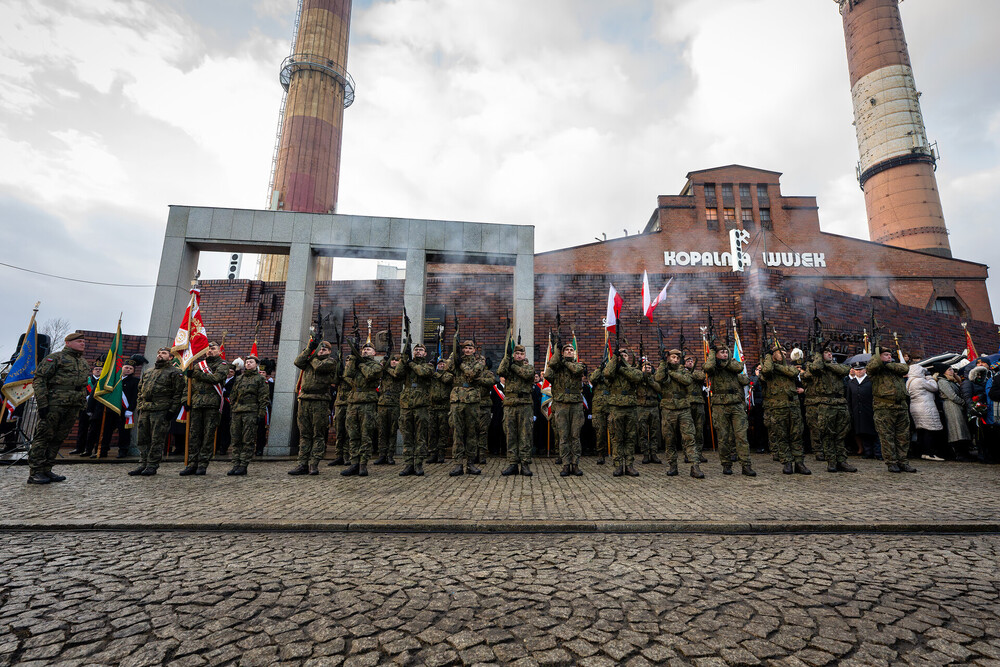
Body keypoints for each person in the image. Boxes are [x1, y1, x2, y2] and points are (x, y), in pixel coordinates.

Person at [27, 332, 91, 484]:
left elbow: (82, 386)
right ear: (68, 343)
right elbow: (40, 380)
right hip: (54, 404)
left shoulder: (83, 362)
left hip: (73, 405)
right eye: (79, 341)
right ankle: (35, 472)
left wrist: (82, 404)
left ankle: (47, 468)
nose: (83, 343)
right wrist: (43, 403)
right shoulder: (55, 358)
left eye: (83, 341)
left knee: (58, 438)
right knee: (43, 437)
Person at [441, 336, 492, 476]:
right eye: (465, 348)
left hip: (472, 401)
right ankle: (458, 464)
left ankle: (470, 463)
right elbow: (447, 368)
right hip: (457, 400)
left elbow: (471, 374)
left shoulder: (478, 362)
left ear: (474, 350)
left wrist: (461, 365)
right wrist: (454, 354)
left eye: (470, 348)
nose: (468, 350)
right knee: (457, 433)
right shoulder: (456, 360)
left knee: (471, 433)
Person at [129, 348, 184, 477]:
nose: (160, 355)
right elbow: (140, 391)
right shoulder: (149, 371)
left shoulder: (175, 373)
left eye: (164, 353)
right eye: (159, 353)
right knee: (142, 439)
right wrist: (140, 406)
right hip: (145, 409)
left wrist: (172, 411)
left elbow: (178, 394)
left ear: (170, 357)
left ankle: (152, 465)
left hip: (161, 410)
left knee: (156, 439)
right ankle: (143, 463)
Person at [704, 341, 755, 476]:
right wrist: (712, 353)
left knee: (741, 436)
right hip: (720, 406)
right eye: (722, 352)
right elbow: (708, 367)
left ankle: (746, 465)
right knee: (723, 437)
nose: (725, 354)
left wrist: (724, 361)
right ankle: (726, 464)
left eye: (726, 352)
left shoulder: (733, 363)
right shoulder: (713, 366)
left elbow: (738, 368)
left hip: (736, 405)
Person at [181, 341, 230, 476]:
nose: (210, 351)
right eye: (208, 349)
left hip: (211, 404)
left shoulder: (223, 365)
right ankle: (192, 464)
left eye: (213, 348)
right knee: (194, 435)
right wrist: (185, 400)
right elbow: (188, 386)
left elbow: (216, 379)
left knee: (208, 435)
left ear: (219, 351)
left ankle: (202, 464)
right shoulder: (197, 365)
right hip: (196, 404)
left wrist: (196, 374)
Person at [290, 338, 338, 476]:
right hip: (305, 400)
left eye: (324, 349)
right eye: (320, 349)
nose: (321, 351)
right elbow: (298, 361)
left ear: (329, 351)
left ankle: (314, 464)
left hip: (320, 401)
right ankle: (302, 463)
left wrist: (312, 355)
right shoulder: (310, 359)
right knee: (305, 434)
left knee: (318, 434)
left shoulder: (330, 362)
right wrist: (309, 348)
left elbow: (319, 367)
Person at [805, 344, 856, 473]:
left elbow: (845, 370)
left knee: (841, 434)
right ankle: (831, 461)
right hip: (826, 404)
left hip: (840, 402)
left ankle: (842, 461)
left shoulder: (836, 366)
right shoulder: (814, 366)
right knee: (827, 434)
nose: (830, 354)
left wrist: (827, 365)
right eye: (826, 352)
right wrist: (818, 356)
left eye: (830, 352)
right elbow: (815, 368)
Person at [655, 348, 704, 478]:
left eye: (677, 358)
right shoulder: (663, 369)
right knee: (669, 439)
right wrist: (663, 363)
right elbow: (658, 378)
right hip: (668, 409)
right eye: (673, 357)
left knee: (689, 437)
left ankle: (695, 466)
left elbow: (687, 381)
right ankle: (672, 465)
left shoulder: (683, 370)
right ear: (668, 358)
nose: (675, 360)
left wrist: (671, 373)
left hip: (683, 408)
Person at [867, 346, 915, 473]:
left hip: (901, 407)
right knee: (887, 437)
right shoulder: (876, 370)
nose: (889, 357)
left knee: (903, 436)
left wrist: (887, 364)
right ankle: (891, 462)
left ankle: (903, 461)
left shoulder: (894, 367)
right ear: (878, 357)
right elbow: (871, 367)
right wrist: (879, 359)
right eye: (885, 355)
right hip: (884, 407)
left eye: (890, 355)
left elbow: (905, 368)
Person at [762, 347, 809, 475]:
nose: (783, 355)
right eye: (780, 353)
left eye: (784, 353)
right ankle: (787, 462)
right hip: (778, 408)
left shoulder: (789, 368)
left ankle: (799, 462)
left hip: (793, 406)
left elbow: (793, 373)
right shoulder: (768, 370)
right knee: (781, 436)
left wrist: (777, 366)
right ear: (773, 355)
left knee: (797, 435)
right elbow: (767, 370)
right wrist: (768, 357)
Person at [391, 341, 434, 476]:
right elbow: (397, 373)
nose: (418, 352)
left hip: (421, 405)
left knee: (420, 436)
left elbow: (423, 373)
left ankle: (418, 464)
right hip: (406, 405)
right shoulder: (407, 365)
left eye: (421, 350)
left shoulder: (428, 366)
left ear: (425, 353)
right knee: (407, 435)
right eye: (416, 350)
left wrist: (410, 363)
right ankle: (409, 463)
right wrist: (404, 359)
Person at [342, 339, 383, 477]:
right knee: (353, 435)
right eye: (364, 349)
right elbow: (347, 374)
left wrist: (361, 364)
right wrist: (353, 359)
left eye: (368, 349)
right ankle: (354, 463)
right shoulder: (356, 363)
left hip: (368, 403)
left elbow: (370, 375)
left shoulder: (376, 366)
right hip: (353, 402)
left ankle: (363, 464)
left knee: (366, 435)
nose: (365, 351)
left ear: (374, 353)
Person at [544, 339, 585, 477]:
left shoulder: (578, 365)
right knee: (563, 436)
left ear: (574, 353)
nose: (569, 351)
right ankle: (566, 464)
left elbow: (577, 371)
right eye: (566, 350)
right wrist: (556, 354)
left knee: (575, 436)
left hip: (576, 405)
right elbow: (547, 374)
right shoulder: (557, 367)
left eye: (571, 350)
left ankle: (575, 464)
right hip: (561, 404)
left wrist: (564, 361)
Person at [603, 346, 644, 477]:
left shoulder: (633, 369)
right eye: (621, 356)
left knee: (630, 438)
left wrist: (622, 366)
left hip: (630, 408)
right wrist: (615, 359)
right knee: (617, 438)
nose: (623, 357)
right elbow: (607, 373)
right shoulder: (612, 370)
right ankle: (618, 465)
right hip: (616, 407)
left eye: (625, 356)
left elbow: (637, 377)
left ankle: (629, 465)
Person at [226, 355, 269, 476]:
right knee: (236, 439)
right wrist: (233, 408)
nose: (248, 364)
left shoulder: (260, 379)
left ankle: (243, 465)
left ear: (256, 364)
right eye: (247, 362)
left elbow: (263, 397)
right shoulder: (239, 378)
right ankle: (236, 464)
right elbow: (233, 394)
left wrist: (261, 414)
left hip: (251, 412)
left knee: (247, 439)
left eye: (251, 362)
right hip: (237, 411)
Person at [499, 341, 537, 476]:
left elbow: (525, 375)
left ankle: (525, 463)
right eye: (516, 353)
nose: (519, 356)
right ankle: (512, 463)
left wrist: (512, 365)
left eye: (521, 353)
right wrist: (506, 357)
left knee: (525, 435)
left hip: (525, 404)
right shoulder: (508, 367)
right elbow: (500, 371)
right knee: (510, 435)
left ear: (524, 355)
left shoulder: (529, 368)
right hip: (510, 405)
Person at [906, 364, 945, 462]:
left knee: (921, 430)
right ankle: (929, 453)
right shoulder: (920, 380)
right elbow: (934, 387)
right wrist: (930, 378)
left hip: (915, 407)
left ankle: (923, 452)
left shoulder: (909, 381)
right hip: (925, 407)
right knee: (929, 430)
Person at [938, 367, 972, 460]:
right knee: (956, 429)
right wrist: (963, 402)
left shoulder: (952, 381)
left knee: (961, 428)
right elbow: (952, 396)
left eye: (952, 369)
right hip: (951, 406)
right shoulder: (943, 382)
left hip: (957, 406)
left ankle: (964, 452)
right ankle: (959, 453)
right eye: (949, 369)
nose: (952, 371)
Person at [374, 354, 402, 465]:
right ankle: (382, 454)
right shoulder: (384, 371)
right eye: (392, 360)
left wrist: (387, 368)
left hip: (394, 404)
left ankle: (390, 455)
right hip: (382, 403)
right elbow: (378, 370)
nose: (394, 362)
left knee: (392, 430)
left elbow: (396, 374)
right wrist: (384, 362)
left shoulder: (400, 372)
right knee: (382, 430)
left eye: (396, 360)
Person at [846, 362, 879, 459]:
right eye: (856, 370)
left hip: (870, 410)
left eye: (860, 369)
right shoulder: (851, 382)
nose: (858, 372)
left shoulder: (871, 380)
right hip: (857, 411)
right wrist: (850, 410)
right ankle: (867, 452)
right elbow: (849, 398)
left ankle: (877, 453)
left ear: (865, 370)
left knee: (874, 432)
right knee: (862, 432)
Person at [636, 358, 662, 465]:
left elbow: (659, 388)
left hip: (653, 406)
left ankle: (654, 453)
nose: (647, 369)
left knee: (654, 431)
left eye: (649, 367)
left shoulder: (655, 378)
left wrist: (650, 381)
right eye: (645, 367)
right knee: (642, 431)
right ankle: (645, 453)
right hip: (641, 407)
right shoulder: (638, 378)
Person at [684, 355, 709, 464]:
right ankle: (688, 453)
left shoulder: (697, 372)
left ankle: (698, 453)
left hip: (699, 402)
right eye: (688, 361)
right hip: (687, 403)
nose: (690, 362)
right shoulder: (681, 372)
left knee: (699, 429)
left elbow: (702, 376)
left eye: (691, 361)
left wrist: (691, 373)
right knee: (687, 430)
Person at [327, 354, 350, 466]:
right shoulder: (341, 371)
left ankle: (347, 456)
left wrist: (344, 376)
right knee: (339, 432)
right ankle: (338, 455)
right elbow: (334, 381)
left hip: (350, 404)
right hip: (340, 404)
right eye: (347, 360)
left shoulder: (354, 372)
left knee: (348, 432)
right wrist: (338, 370)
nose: (348, 362)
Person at [427, 359, 451, 463]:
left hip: (444, 408)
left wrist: (435, 373)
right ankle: (433, 453)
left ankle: (441, 453)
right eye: (439, 364)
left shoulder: (449, 375)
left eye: (443, 364)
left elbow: (446, 380)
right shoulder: (432, 375)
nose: (441, 365)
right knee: (432, 432)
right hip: (432, 407)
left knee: (443, 432)